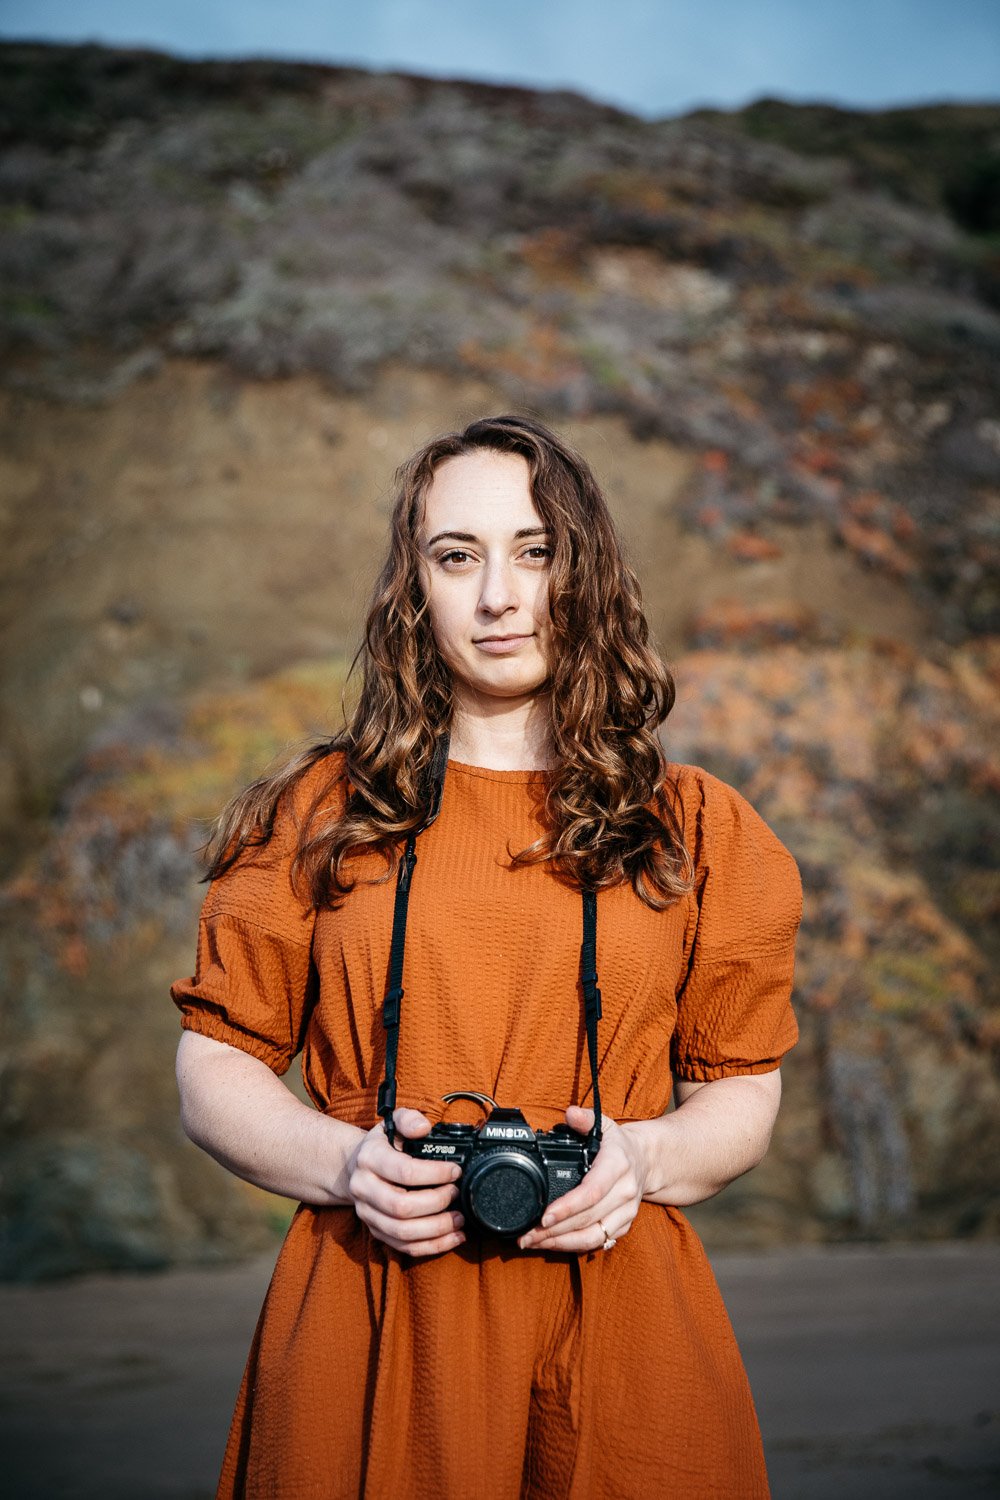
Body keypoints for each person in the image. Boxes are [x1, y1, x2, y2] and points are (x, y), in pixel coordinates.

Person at [171, 413, 802, 1500]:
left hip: (621, 1327)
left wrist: (640, 1162)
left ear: (585, 572)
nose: (499, 596)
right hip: (369, 1309)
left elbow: (741, 1095)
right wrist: (346, 1164)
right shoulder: (318, 815)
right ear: (415, 590)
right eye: (456, 558)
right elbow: (214, 1064)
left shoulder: (698, 830)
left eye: (535, 551)